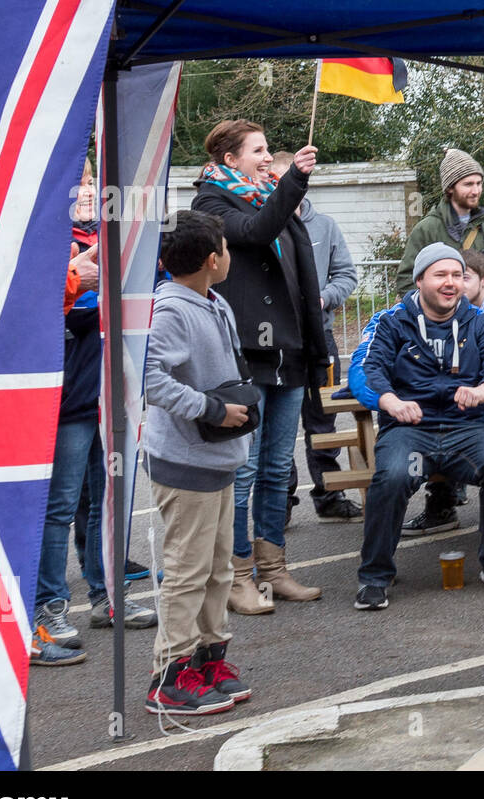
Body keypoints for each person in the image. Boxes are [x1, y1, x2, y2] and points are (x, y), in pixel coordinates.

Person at [191, 122, 328, 613]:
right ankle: (237, 576)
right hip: (246, 356)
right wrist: (295, 180)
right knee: (244, 470)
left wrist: (316, 344)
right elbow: (253, 232)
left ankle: (274, 570)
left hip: (288, 352)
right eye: (259, 150)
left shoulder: (270, 194)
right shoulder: (212, 203)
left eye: (271, 150)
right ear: (231, 160)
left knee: (275, 468)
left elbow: (301, 273)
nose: (269, 158)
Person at [347, 244, 484, 610]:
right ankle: (375, 576)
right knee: (393, 475)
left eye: (457, 275)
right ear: (419, 280)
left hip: (467, 429)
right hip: (409, 429)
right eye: (440, 275)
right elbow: (364, 368)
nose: (451, 283)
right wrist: (389, 401)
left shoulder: (480, 322)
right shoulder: (390, 321)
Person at [34, 161, 156, 668]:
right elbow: (44, 311)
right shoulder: (43, 239)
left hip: (110, 395)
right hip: (66, 400)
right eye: (76, 178)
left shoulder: (108, 236)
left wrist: (97, 290)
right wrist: (82, 287)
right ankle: (48, 609)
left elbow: (130, 303)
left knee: (108, 502)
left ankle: (107, 599)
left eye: (89, 177)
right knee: (60, 508)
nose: (86, 187)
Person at [143, 210, 253, 716]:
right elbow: (147, 378)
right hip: (187, 464)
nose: (229, 255)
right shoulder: (170, 310)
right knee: (187, 573)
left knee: (217, 569)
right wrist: (210, 409)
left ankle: (209, 656)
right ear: (213, 260)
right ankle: (169, 674)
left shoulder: (214, 301)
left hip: (218, 460)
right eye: (227, 249)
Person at [267, 151, 363, 524]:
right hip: (276, 343)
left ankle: (329, 494)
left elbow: (347, 275)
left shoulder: (325, 225)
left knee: (323, 418)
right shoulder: (263, 221)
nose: (283, 183)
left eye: (290, 175)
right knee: (279, 423)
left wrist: (324, 296)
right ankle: (281, 501)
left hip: (320, 339)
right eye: (276, 177)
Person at [394, 148, 484, 297]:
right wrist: (438, 311)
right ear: (450, 188)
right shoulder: (427, 229)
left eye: (479, 183)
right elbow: (406, 281)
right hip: (445, 318)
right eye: (468, 184)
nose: (476, 191)